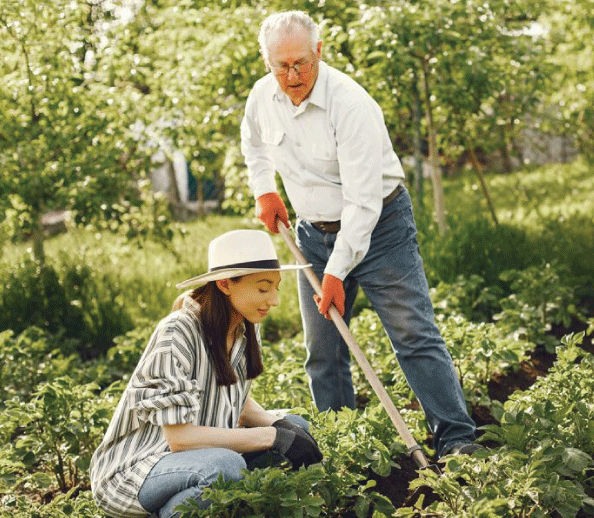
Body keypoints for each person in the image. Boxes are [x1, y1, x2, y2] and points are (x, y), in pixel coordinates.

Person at [240, 10, 480, 460]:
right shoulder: (262, 97)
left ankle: (456, 440)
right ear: (267, 61)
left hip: (380, 227)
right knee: (323, 350)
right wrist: (265, 190)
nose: (292, 75)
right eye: (280, 66)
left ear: (320, 52)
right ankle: (344, 448)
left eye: (301, 63)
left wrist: (336, 273)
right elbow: (252, 143)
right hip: (312, 233)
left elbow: (364, 204)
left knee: (413, 334)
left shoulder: (350, 105)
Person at [89, 229, 323, 518]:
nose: (274, 300)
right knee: (224, 467)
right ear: (225, 284)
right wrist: (271, 437)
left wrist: (281, 426)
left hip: (195, 456)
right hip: (140, 468)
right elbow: (180, 439)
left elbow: (234, 398)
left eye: (277, 287)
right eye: (263, 288)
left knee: (298, 424)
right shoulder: (178, 332)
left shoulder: (245, 326)